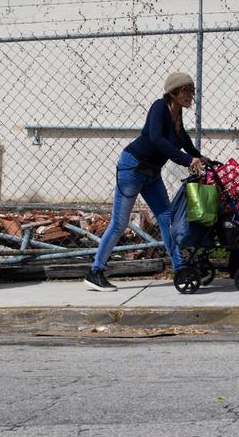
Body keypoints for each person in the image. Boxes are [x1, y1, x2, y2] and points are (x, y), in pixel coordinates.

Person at [84, 72, 209, 291]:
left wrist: (202, 158)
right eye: (187, 90)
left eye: (192, 91)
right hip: (132, 167)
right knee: (119, 223)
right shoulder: (159, 107)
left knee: (167, 218)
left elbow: (185, 143)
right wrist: (187, 160)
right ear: (174, 92)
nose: (191, 95)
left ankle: (180, 268)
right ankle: (95, 271)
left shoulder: (178, 117)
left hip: (152, 173)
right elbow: (156, 138)